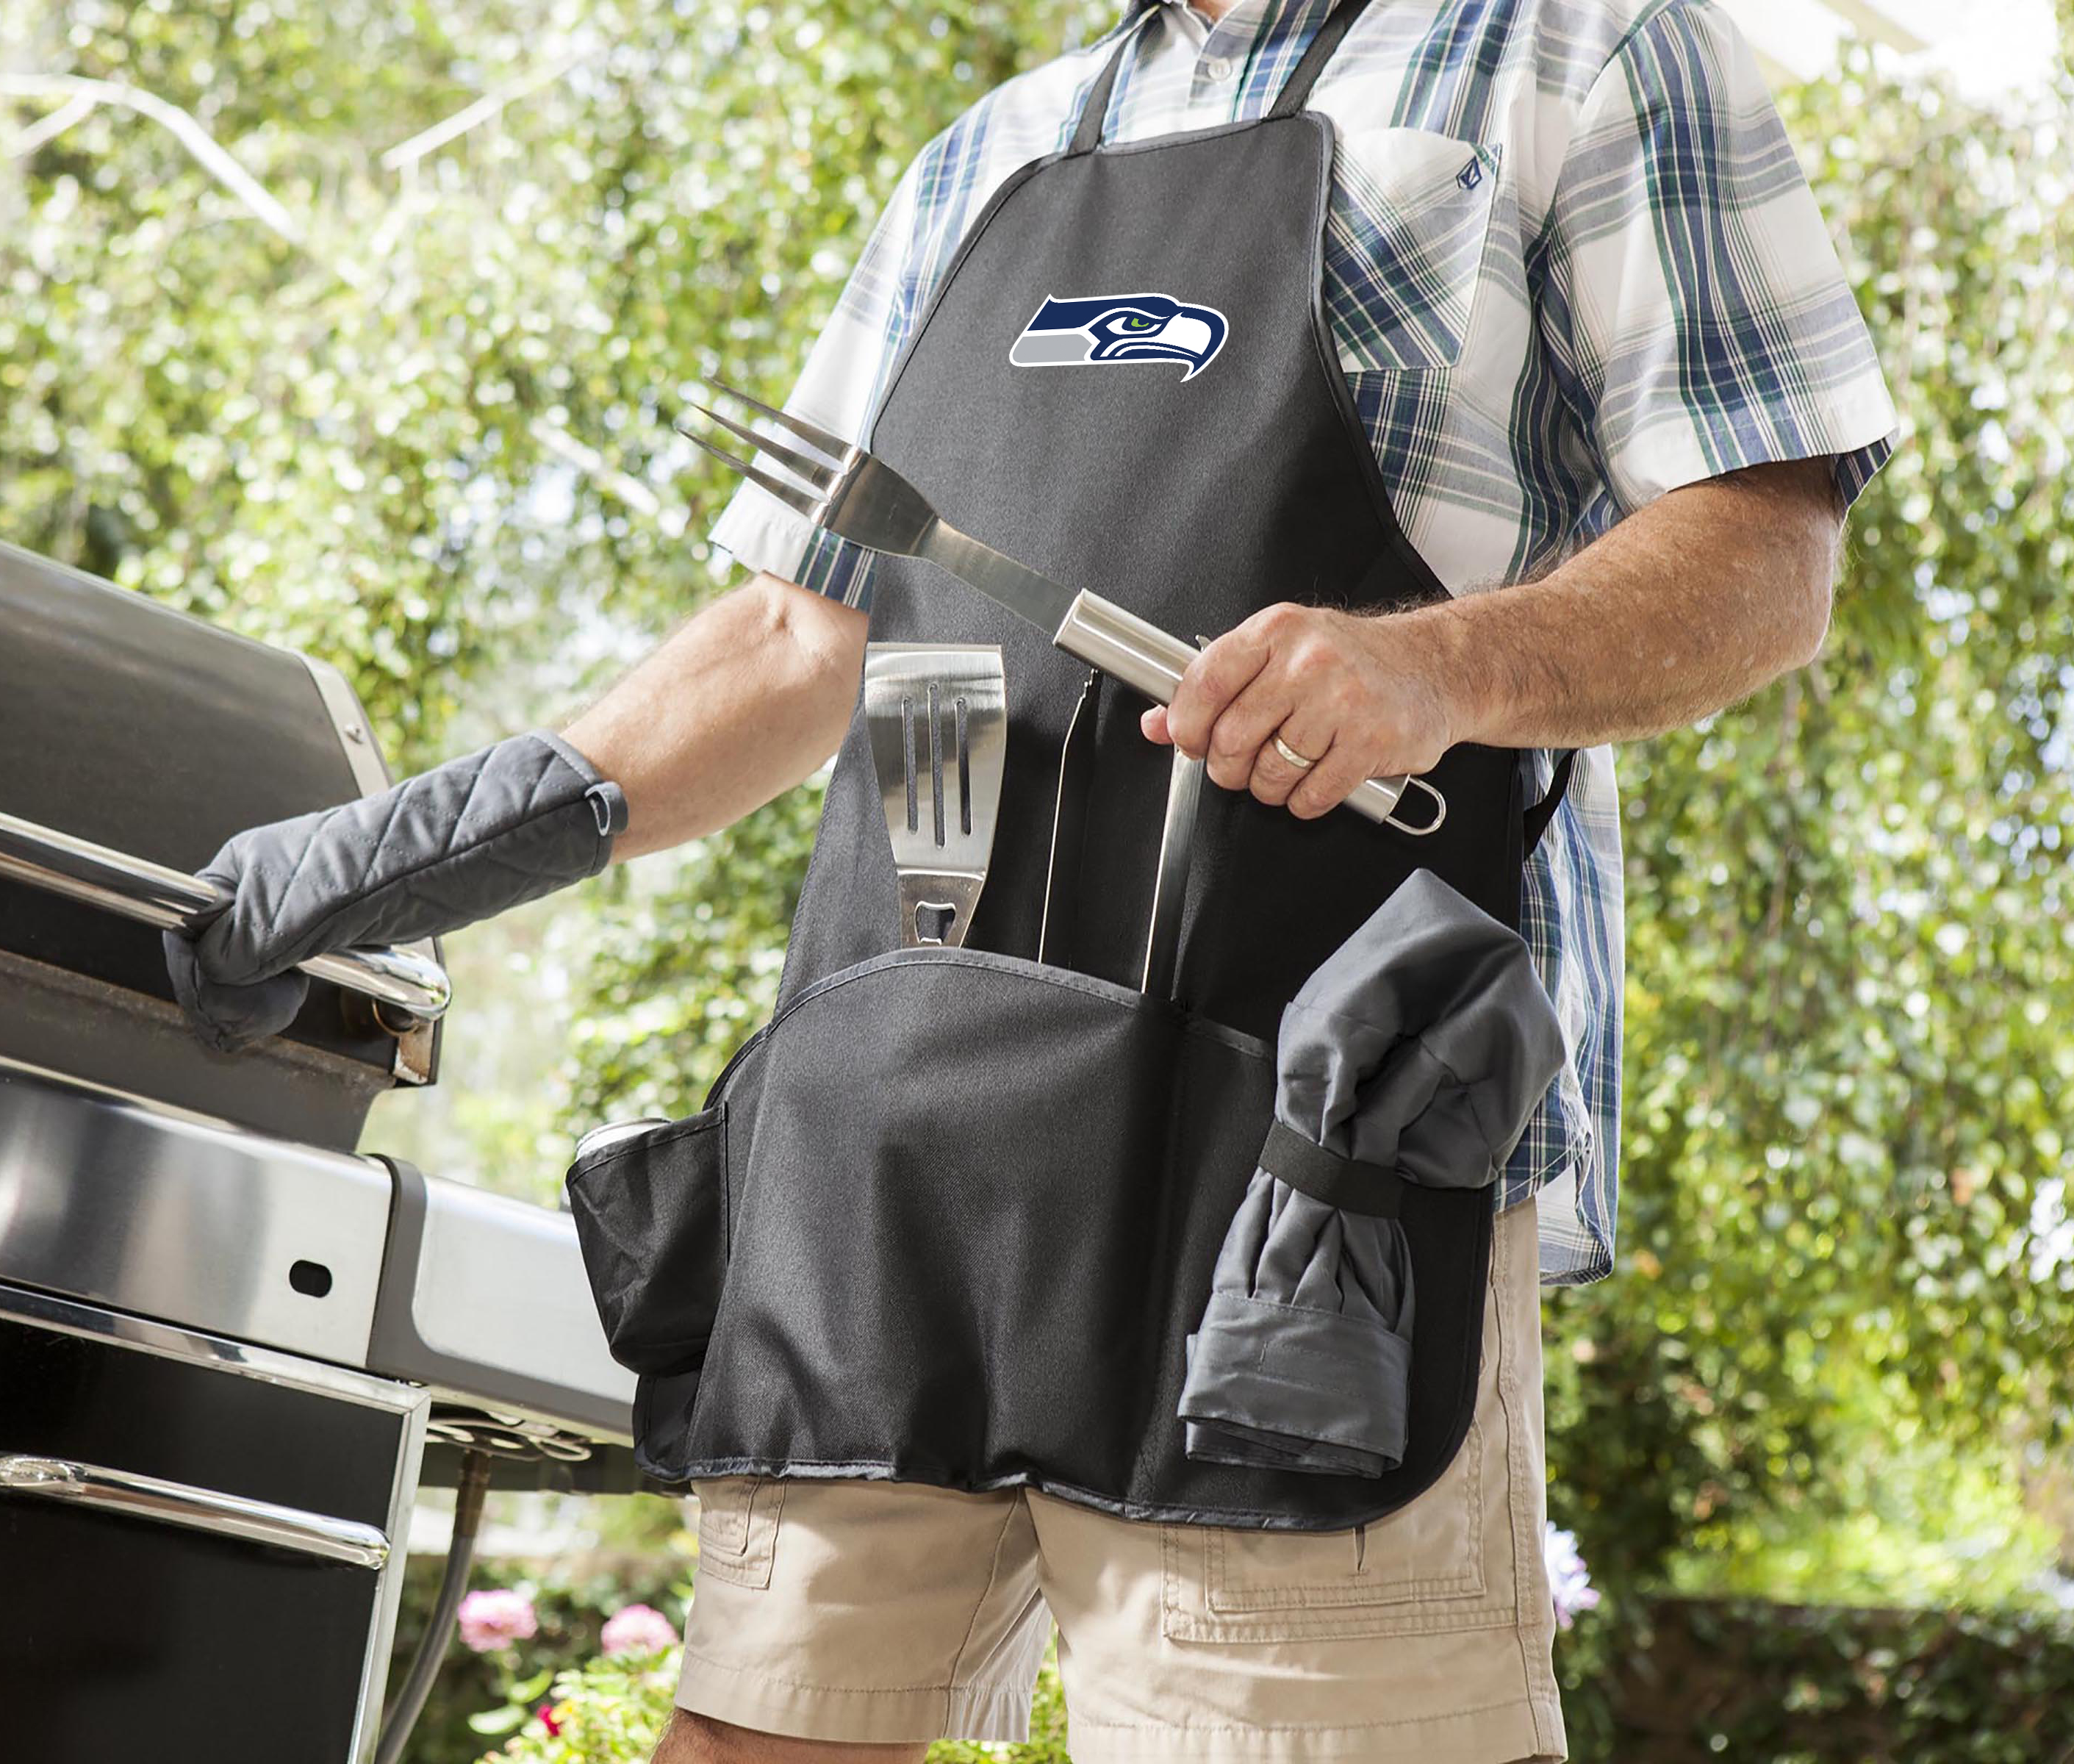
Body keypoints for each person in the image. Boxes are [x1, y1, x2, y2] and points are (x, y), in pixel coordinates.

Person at [167, 2, 1898, 1760]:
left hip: (1297, 1169)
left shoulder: (1576, 56)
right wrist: (410, 851)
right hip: (888, 1157)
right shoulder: (999, 150)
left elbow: (1766, 552)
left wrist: (1435, 672)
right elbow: (797, 633)